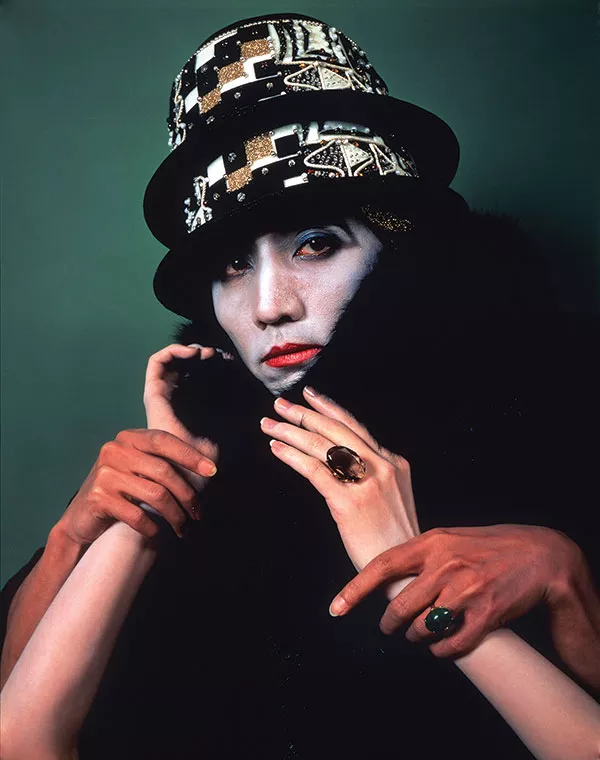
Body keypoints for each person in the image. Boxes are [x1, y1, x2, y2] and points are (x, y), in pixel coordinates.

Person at [1, 13, 599, 760]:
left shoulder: (564, 397)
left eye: (315, 244)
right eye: (232, 265)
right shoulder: (198, 446)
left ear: (398, 245)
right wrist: (74, 538)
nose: (269, 305)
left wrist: (566, 575)